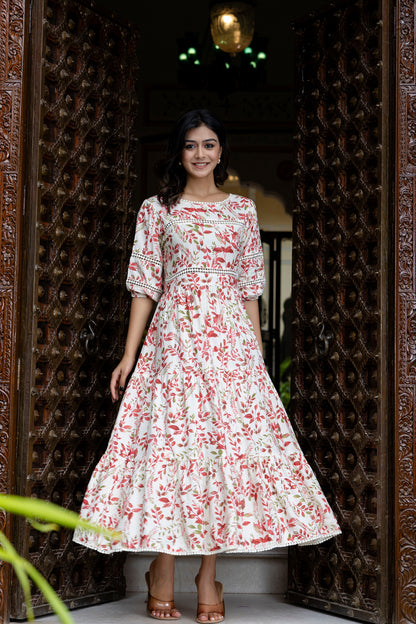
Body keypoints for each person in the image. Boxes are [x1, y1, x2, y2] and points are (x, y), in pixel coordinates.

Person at [73, 109, 341, 622]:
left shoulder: (241, 210)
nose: (201, 153)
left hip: (230, 347)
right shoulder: (157, 210)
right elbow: (145, 285)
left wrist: (255, 359)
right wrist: (129, 355)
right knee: (174, 445)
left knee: (221, 448)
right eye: (191, 145)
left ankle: (206, 572)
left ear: (223, 151)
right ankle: (164, 567)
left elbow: (248, 289)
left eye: (210, 144)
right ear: (179, 152)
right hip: (173, 343)